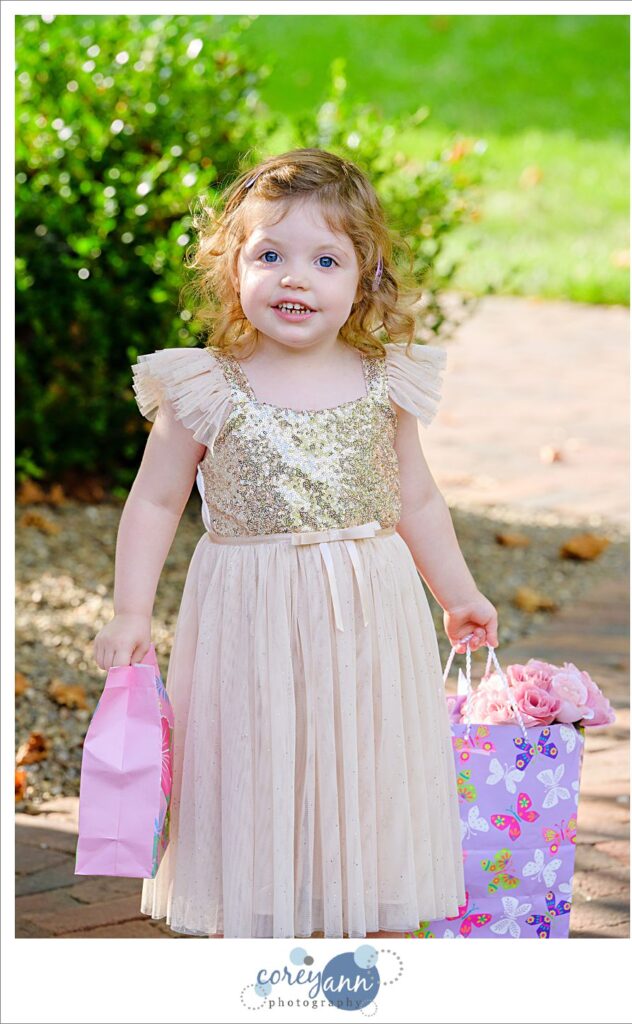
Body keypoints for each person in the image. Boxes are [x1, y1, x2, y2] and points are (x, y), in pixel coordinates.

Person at [92, 147, 498, 939]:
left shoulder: (384, 382)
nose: (295, 279)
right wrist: (130, 612)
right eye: (269, 255)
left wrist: (457, 595)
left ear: (364, 277)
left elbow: (415, 496)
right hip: (250, 609)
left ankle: (354, 910)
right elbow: (155, 500)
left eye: (324, 260)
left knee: (360, 752)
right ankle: (258, 914)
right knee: (256, 752)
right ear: (232, 267)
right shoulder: (204, 385)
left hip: (368, 606)